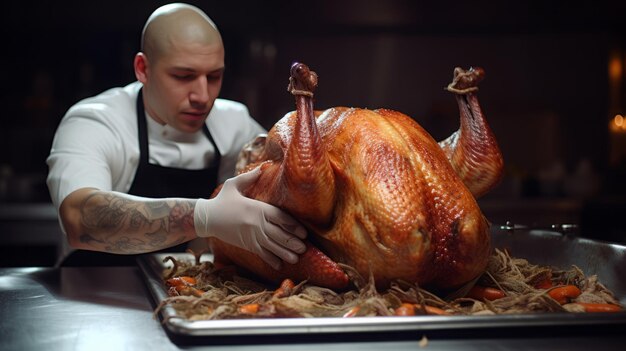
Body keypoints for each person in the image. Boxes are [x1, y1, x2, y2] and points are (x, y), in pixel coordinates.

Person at [46, 3, 307, 269]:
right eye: (183, 76)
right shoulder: (96, 121)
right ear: (143, 69)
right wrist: (204, 217)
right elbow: (79, 217)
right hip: (91, 291)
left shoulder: (234, 124)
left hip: (183, 291)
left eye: (214, 77)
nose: (203, 97)